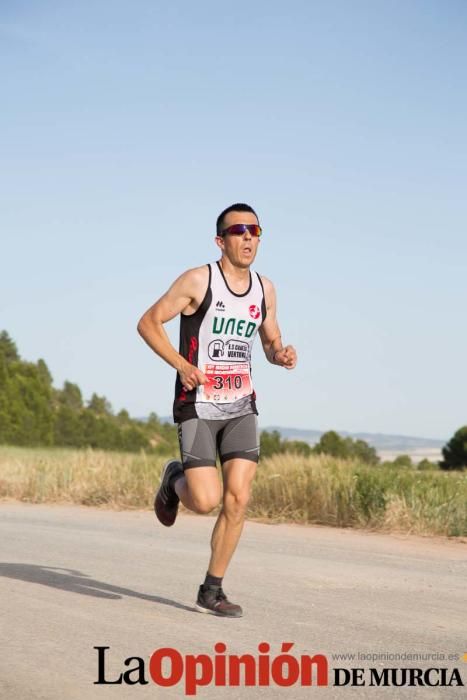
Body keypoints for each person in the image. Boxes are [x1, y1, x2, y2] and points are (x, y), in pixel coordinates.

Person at [137, 203, 297, 617]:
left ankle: (212, 589)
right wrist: (182, 365)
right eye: (238, 231)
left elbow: (268, 339)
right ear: (220, 240)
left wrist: (280, 354)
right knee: (205, 501)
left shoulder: (265, 289)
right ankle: (174, 479)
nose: (248, 238)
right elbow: (149, 322)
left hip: (241, 406)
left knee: (238, 499)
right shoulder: (197, 280)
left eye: (255, 231)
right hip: (198, 405)